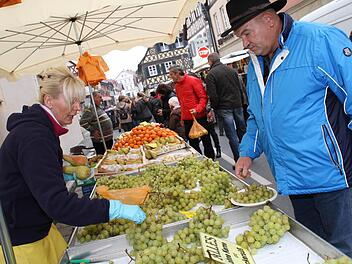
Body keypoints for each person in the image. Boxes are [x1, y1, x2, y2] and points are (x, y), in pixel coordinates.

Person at [221, 0, 352, 257]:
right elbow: (257, 117)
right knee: (315, 250)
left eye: (246, 33)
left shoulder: (319, 40)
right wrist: (247, 151)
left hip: (333, 180)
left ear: (269, 19)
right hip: (293, 182)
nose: (244, 43)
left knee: (345, 250)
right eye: (240, 37)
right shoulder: (255, 64)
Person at [0, 67, 146, 263]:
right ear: (49, 100)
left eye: (80, 101)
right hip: (23, 242)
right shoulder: (35, 137)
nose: (78, 108)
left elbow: (31, 176)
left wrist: (61, 173)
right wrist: (113, 208)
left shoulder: (39, 130)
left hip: (37, 228)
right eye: (72, 101)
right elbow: (59, 205)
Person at [206, 52, 247, 163]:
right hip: (237, 103)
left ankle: (238, 159)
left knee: (231, 134)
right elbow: (240, 87)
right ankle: (246, 155)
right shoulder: (232, 70)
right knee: (241, 129)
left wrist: (215, 107)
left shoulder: (211, 74)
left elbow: (213, 95)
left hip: (224, 107)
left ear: (210, 61)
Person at [168, 66, 215, 160]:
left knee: (206, 140)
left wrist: (197, 109)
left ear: (177, 74)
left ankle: (210, 159)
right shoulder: (177, 86)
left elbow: (203, 97)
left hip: (199, 116)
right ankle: (200, 160)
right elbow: (181, 103)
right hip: (187, 118)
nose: (170, 77)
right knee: (193, 142)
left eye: (171, 74)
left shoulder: (193, 80)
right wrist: (182, 118)